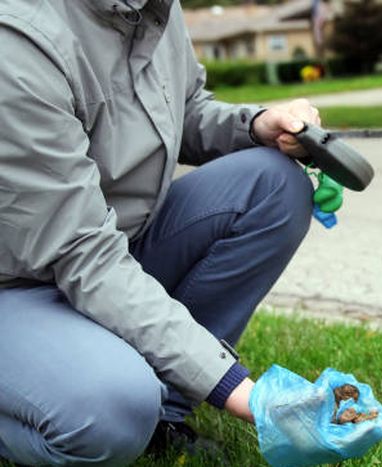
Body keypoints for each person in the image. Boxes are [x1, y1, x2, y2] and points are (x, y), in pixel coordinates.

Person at [0, 0, 332, 464]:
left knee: (273, 184)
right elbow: (82, 254)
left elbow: (184, 107)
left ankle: (166, 412)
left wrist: (257, 125)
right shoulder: (17, 39)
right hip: (19, 283)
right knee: (111, 411)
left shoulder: (153, 6)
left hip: (113, 247)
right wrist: (245, 394)